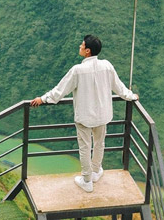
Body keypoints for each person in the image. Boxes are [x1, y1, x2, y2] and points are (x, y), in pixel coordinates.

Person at [31, 34, 138, 193]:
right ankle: (96, 172)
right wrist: (131, 96)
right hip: (103, 115)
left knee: (85, 148)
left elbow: (59, 91)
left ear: (87, 51)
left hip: (85, 118)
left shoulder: (78, 71)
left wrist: (43, 99)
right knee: (100, 143)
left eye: (82, 45)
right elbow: (119, 88)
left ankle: (87, 180)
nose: (79, 47)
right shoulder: (107, 66)